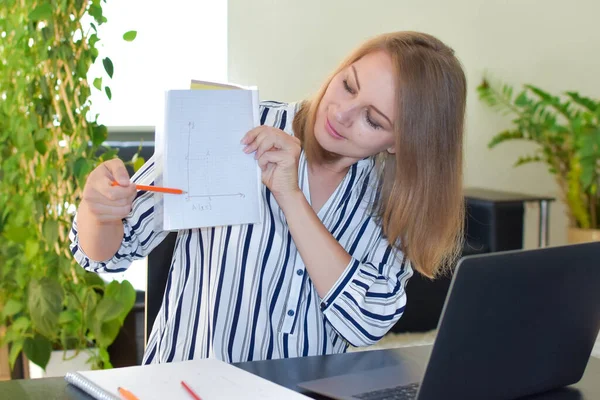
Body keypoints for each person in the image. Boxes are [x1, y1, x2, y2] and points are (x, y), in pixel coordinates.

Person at [70, 31, 467, 364]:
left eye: (372, 119)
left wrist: (291, 197)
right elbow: (107, 252)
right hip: (187, 386)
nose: (342, 113)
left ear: (400, 143)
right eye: (348, 85)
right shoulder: (235, 125)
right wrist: (98, 209)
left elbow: (366, 322)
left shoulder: (392, 202)